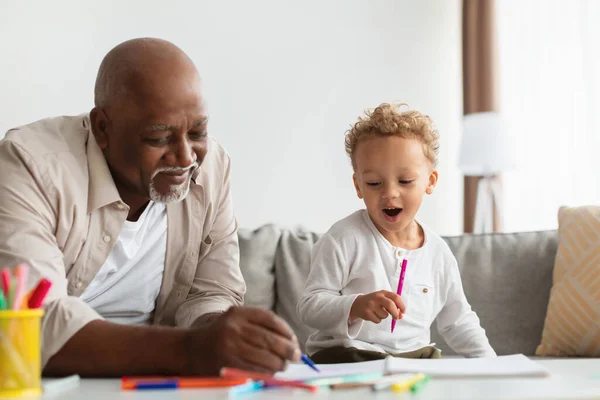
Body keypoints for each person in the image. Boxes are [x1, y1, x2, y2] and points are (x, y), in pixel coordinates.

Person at [0, 38, 300, 376]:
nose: (187, 158)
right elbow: (32, 324)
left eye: (198, 132)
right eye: (159, 138)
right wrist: (194, 349)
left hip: (157, 382)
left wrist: (226, 334)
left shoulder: (212, 166)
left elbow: (213, 291)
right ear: (103, 128)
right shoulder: (28, 165)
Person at [297, 103, 496, 363]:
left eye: (405, 181)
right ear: (358, 186)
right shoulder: (343, 238)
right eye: (374, 183)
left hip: (414, 357)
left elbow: (458, 320)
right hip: (349, 352)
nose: (389, 193)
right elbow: (310, 306)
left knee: (437, 365)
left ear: (430, 182)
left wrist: (492, 364)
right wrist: (355, 306)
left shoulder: (438, 253)